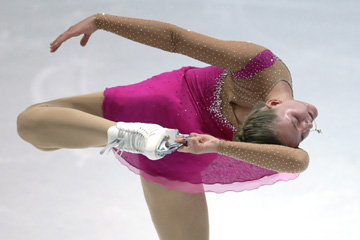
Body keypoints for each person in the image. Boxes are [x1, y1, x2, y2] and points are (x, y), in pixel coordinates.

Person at [17, 13, 319, 240]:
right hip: (173, 127)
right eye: (297, 122)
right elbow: (175, 39)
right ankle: (128, 136)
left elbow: (299, 161)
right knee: (34, 129)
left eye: (303, 131)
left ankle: (128, 135)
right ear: (273, 105)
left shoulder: (261, 71)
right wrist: (103, 22)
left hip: (168, 127)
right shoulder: (257, 67)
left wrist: (101, 20)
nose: (309, 121)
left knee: (33, 125)